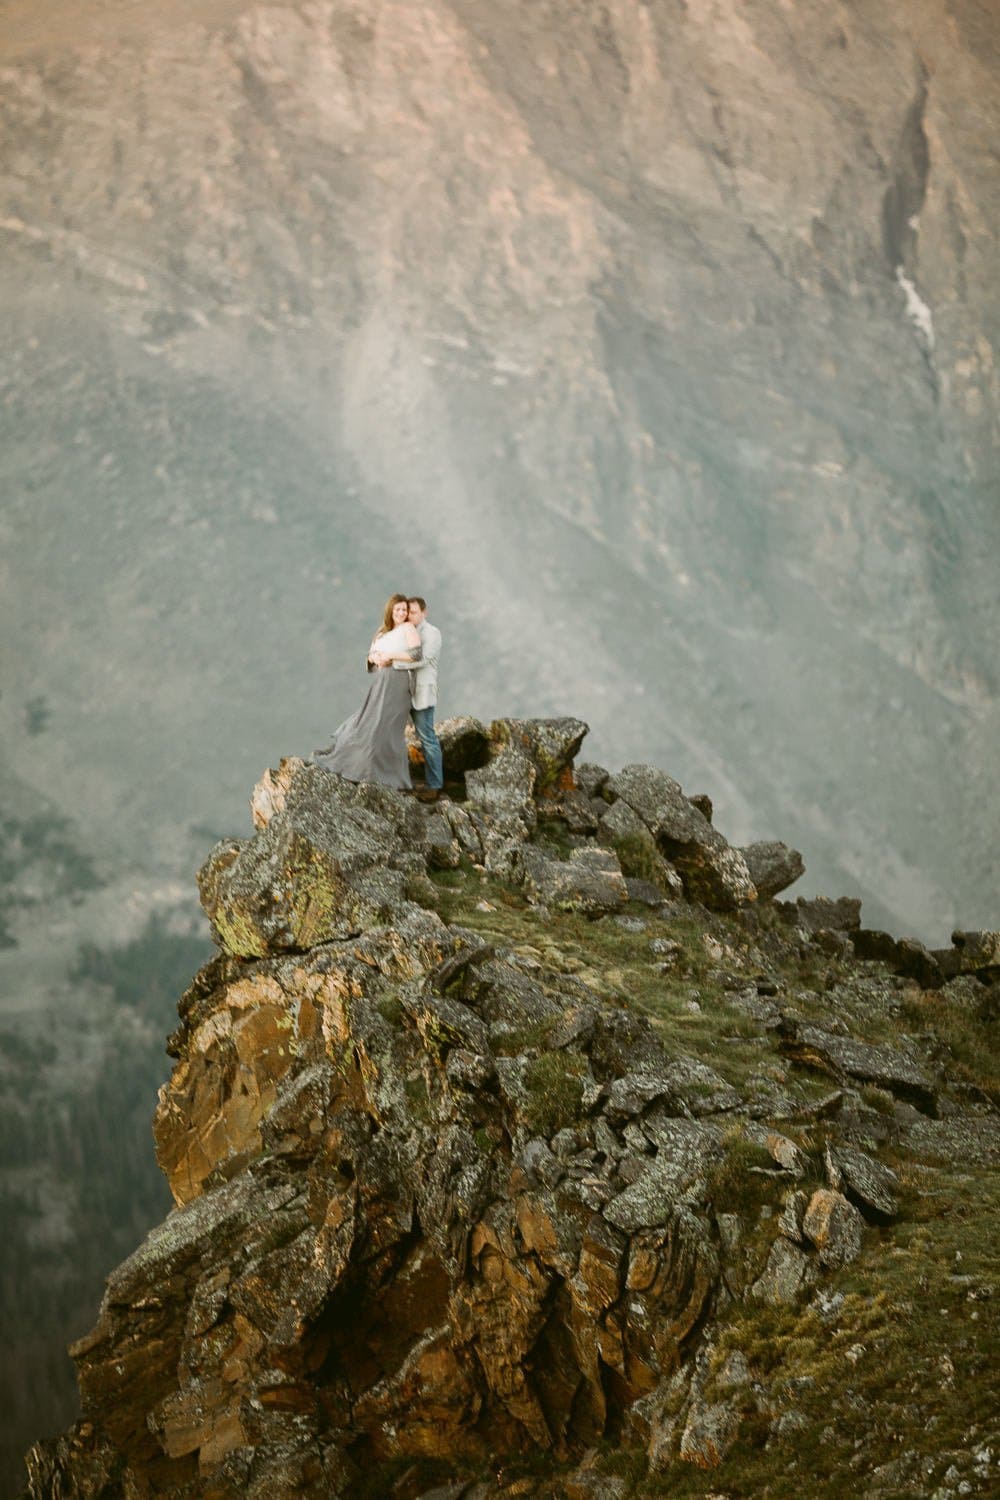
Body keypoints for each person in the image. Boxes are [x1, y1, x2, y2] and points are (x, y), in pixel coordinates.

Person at [313, 594, 422, 790]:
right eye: (398, 609)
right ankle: (360, 767)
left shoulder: (408, 629)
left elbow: (416, 654)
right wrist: (376, 658)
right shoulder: (382, 632)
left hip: (399, 681)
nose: (401, 613)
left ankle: (388, 776)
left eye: (404, 610)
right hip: (381, 680)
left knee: (386, 726)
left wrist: (391, 656)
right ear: (390, 610)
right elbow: (370, 657)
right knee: (366, 721)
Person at [395, 596, 443, 803]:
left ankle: (435, 785)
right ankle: (401, 781)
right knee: (398, 738)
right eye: (408, 612)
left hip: (423, 693)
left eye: (414, 612)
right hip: (405, 693)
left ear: (424, 612)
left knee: (428, 739)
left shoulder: (432, 633)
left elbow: (421, 659)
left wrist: (394, 661)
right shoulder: (406, 632)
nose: (410, 616)